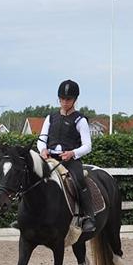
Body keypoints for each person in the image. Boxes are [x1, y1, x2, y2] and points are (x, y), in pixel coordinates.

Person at [37, 79, 96, 234]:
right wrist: (43, 150)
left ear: (75, 100)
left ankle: (88, 216)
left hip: (70, 160)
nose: (64, 102)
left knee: (79, 180)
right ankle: (29, 217)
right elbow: (41, 139)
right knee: (33, 178)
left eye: (68, 99)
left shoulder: (80, 120)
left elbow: (87, 146)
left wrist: (72, 153)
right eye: (62, 99)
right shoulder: (50, 117)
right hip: (50, 159)